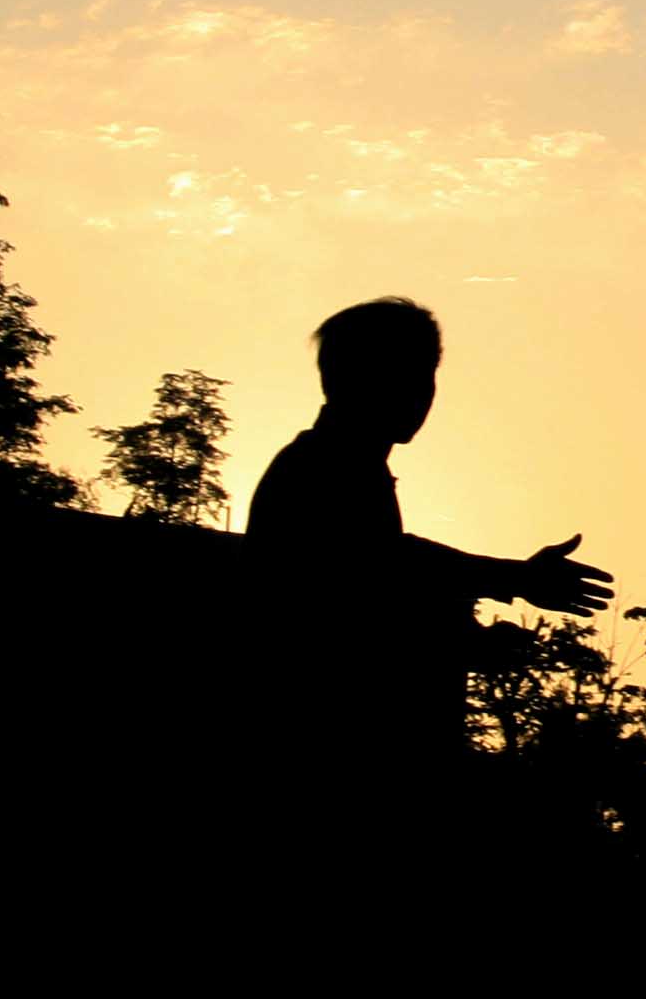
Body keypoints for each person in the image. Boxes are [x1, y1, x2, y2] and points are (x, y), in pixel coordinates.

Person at [244, 297, 613, 793]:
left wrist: (471, 639)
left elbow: (378, 594)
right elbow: (366, 583)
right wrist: (513, 580)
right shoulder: (322, 469)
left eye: (426, 376)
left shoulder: (343, 469)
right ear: (355, 378)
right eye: (406, 374)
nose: (421, 394)